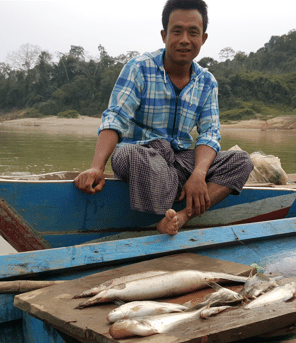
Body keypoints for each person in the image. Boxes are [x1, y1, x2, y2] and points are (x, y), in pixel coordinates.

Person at [74, 0, 253, 235]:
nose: (184, 40)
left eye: (193, 33)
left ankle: (181, 215)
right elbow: (115, 118)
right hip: (144, 157)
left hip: (179, 163)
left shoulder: (207, 81)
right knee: (126, 153)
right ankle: (168, 201)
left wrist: (199, 174)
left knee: (241, 160)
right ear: (164, 35)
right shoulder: (139, 68)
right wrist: (97, 168)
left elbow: (209, 134)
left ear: (204, 39)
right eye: (176, 31)